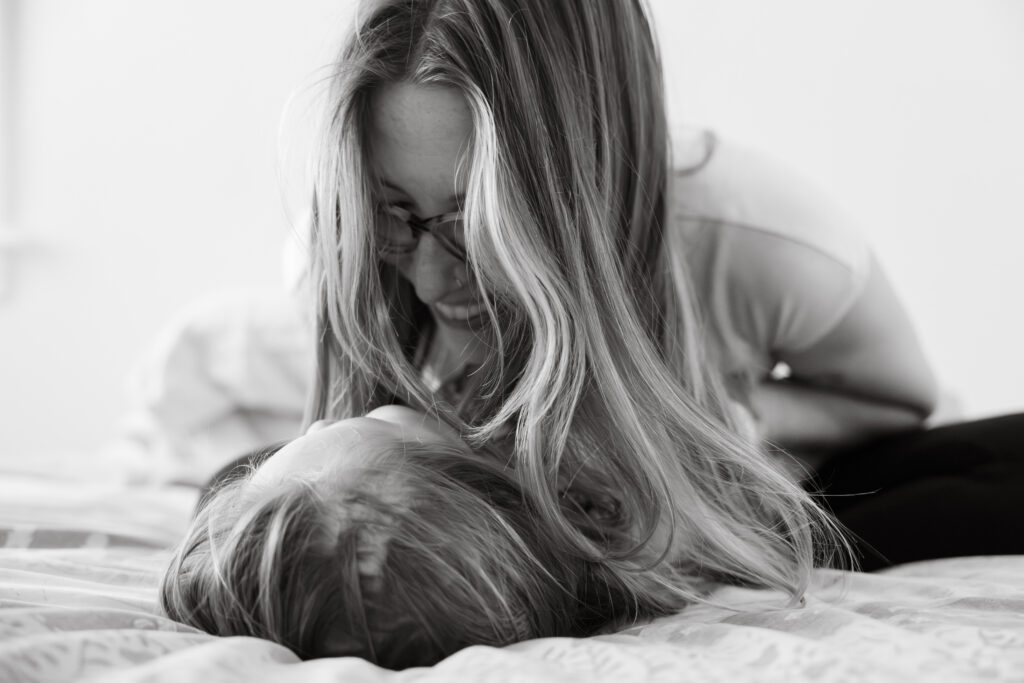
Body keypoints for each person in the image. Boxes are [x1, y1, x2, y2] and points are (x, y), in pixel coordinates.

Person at [160, 406, 694, 668]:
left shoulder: (252, 496)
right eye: (374, 419)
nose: (319, 418)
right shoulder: (621, 480)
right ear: (479, 473)